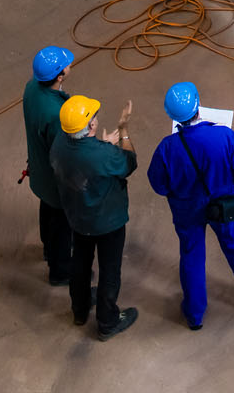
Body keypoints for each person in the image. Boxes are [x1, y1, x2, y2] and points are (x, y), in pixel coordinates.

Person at [145, 81, 234, 330]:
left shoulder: (166, 149)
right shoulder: (225, 136)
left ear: (172, 116)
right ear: (198, 107)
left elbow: (159, 186)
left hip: (187, 210)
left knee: (191, 256)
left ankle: (194, 314)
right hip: (224, 206)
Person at [51, 95, 139, 339]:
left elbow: (83, 159)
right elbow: (129, 163)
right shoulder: (103, 155)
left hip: (77, 216)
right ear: (91, 125)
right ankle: (107, 321)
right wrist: (123, 131)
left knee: (80, 261)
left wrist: (101, 146)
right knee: (110, 269)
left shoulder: (59, 142)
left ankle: (79, 310)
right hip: (107, 221)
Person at [21, 46, 74, 286]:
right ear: (59, 76)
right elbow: (63, 153)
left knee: (48, 210)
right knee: (61, 223)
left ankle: (47, 249)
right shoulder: (57, 114)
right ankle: (60, 271)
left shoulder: (31, 88)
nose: (70, 65)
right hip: (55, 180)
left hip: (39, 168)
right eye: (66, 65)